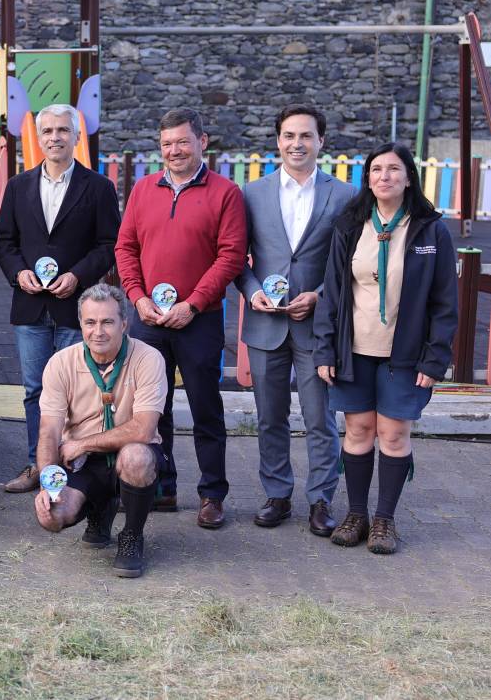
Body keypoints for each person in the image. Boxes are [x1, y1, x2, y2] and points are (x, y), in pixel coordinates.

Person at [314, 143, 457, 555]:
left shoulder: (431, 230)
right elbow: (333, 295)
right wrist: (326, 351)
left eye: (394, 169)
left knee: (393, 434)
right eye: (376, 169)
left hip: (406, 355)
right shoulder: (349, 225)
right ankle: (356, 515)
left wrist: (435, 358)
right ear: (368, 179)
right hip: (354, 350)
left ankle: (384, 521)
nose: (384, 176)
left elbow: (445, 303)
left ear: (409, 177)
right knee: (358, 430)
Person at [114, 108, 246, 528]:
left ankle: (212, 494)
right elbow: (125, 248)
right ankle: (162, 486)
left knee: (206, 408)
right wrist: (136, 297)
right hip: (148, 318)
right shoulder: (143, 190)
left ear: (202, 142)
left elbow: (231, 256)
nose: (174, 150)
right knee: (153, 408)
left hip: (199, 319)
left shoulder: (226, 193)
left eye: (182, 142)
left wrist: (192, 303)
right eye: (167, 143)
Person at [237, 105, 357, 534]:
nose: (297, 144)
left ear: (321, 142)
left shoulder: (343, 195)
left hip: (316, 326)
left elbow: (350, 263)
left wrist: (320, 296)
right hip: (265, 325)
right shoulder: (252, 193)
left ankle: (321, 500)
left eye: (305, 136)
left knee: (320, 418)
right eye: (289, 136)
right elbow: (237, 258)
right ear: (277, 141)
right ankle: (277, 494)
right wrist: (253, 293)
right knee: (270, 417)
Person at [0, 104, 120, 494]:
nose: (54, 138)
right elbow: (5, 242)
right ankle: (38, 463)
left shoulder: (98, 187)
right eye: (47, 131)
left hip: (75, 307)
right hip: (31, 305)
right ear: (38, 137)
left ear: (76, 137)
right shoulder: (18, 186)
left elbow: (108, 245)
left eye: (63, 131)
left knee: (76, 389)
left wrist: (78, 275)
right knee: (34, 388)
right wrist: (19, 273)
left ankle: (75, 463)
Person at [32, 284, 166, 578]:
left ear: (124, 324)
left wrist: (82, 444)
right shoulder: (60, 363)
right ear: (80, 324)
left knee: (136, 458)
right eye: (90, 322)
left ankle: (131, 535)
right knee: (52, 518)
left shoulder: (149, 358)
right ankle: (99, 510)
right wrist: (47, 485)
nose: (98, 331)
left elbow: (144, 429)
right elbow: (49, 433)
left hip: (129, 452)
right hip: (82, 463)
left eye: (107, 322)